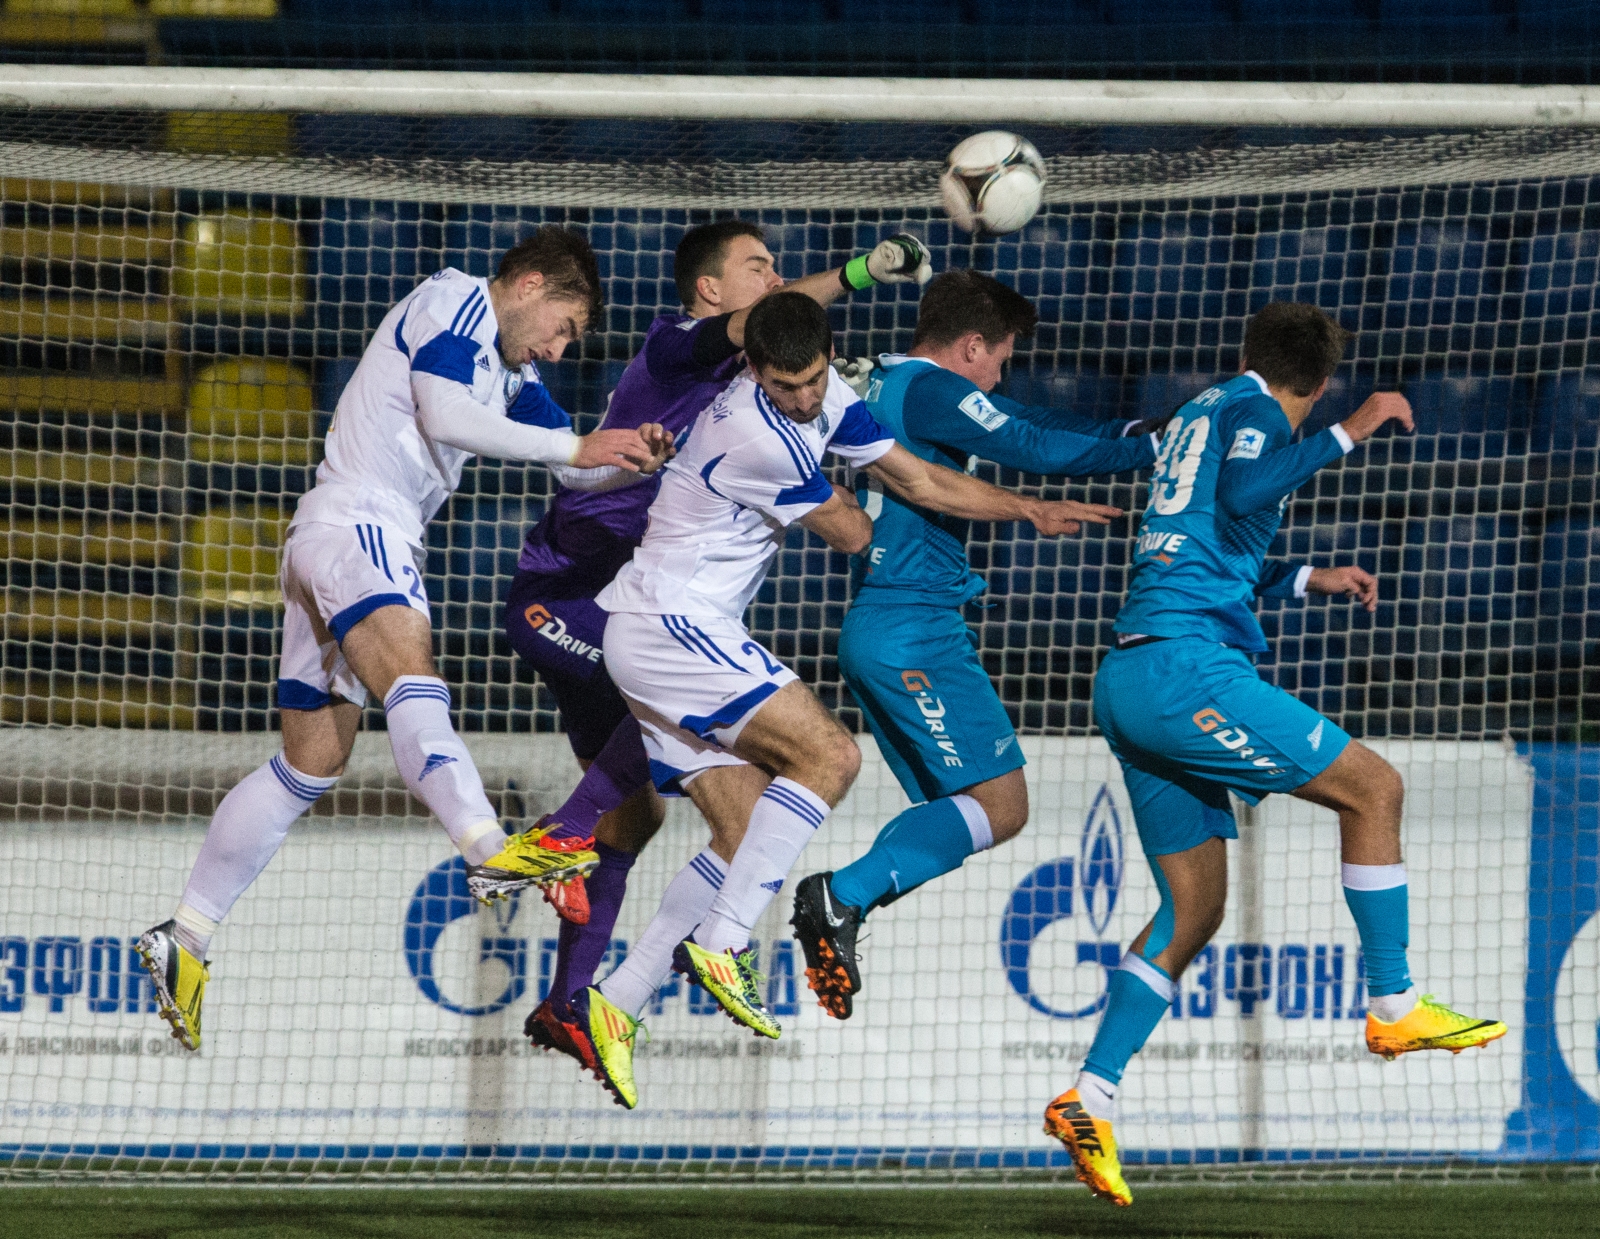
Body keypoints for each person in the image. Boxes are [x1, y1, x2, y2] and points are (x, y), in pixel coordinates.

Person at [567, 291, 1122, 1109]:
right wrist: (939, 561)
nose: (803, 398)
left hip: (662, 632)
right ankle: (724, 941)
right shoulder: (755, 432)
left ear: (830, 358)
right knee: (830, 755)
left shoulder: (827, 396)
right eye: (786, 385)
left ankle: (619, 1000)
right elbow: (860, 530)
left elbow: (915, 474)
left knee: (744, 826)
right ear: (754, 370)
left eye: (815, 380)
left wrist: (1027, 507)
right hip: (669, 624)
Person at [135, 228, 672, 1052]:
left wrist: (631, 454)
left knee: (309, 763)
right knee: (414, 674)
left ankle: (188, 932)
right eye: (563, 324)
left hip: (327, 540)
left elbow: (574, 469)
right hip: (363, 525)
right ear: (527, 283)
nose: (560, 348)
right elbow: (445, 413)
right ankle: (489, 847)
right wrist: (576, 444)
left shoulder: (513, 372)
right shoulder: (455, 297)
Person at [1044, 301, 1507, 1207]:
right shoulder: (1259, 411)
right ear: (1321, 380)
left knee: (1195, 908)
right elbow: (1249, 496)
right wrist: (1355, 427)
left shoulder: (1202, 413)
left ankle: (1087, 1094)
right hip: (1187, 673)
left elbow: (1205, 541)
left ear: (1246, 349)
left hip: (1130, 676)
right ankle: (1394, 1007)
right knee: (1375, 788)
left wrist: (1306, 576)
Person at [492, 220, 932, 1065]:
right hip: (570, 596)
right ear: (710, 290)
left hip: (630, 598)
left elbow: (782, 332)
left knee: (710, 821)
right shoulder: (682, 347)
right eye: (757, 267)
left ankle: (584, 1006)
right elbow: (778, 321)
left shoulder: (751, 368)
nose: (775, 280)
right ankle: (555, 835)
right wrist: (860, 271)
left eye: (778, 265)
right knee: (687, 722)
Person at [789, 269, 1162, 1020]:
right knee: (1000, 802)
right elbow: (1030, 441)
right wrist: (1160, 450)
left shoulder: (896, 382)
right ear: (969, 346)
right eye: (999, 357)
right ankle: (841, 895)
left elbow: (1029, 419)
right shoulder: (929, 388)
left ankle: (847, 906)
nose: (1000, 373)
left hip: (889, 622)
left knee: (972, 807)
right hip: (912, 626)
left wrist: (1141, 436)